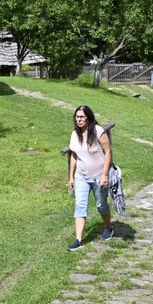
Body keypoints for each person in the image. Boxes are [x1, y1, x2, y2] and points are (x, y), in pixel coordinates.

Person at [67, 105, 113, 251]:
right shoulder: (75, 134)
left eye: (82, 117)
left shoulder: (98, 131)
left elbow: (108, 153)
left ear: (88, 118)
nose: (79, 120)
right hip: (81, 176)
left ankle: (108, 227)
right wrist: (71, 177)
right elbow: (74, 155)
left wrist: (105, 174)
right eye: (77, 117)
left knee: (101, 205)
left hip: (99, 176)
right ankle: (79, 240)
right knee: (80, 205)